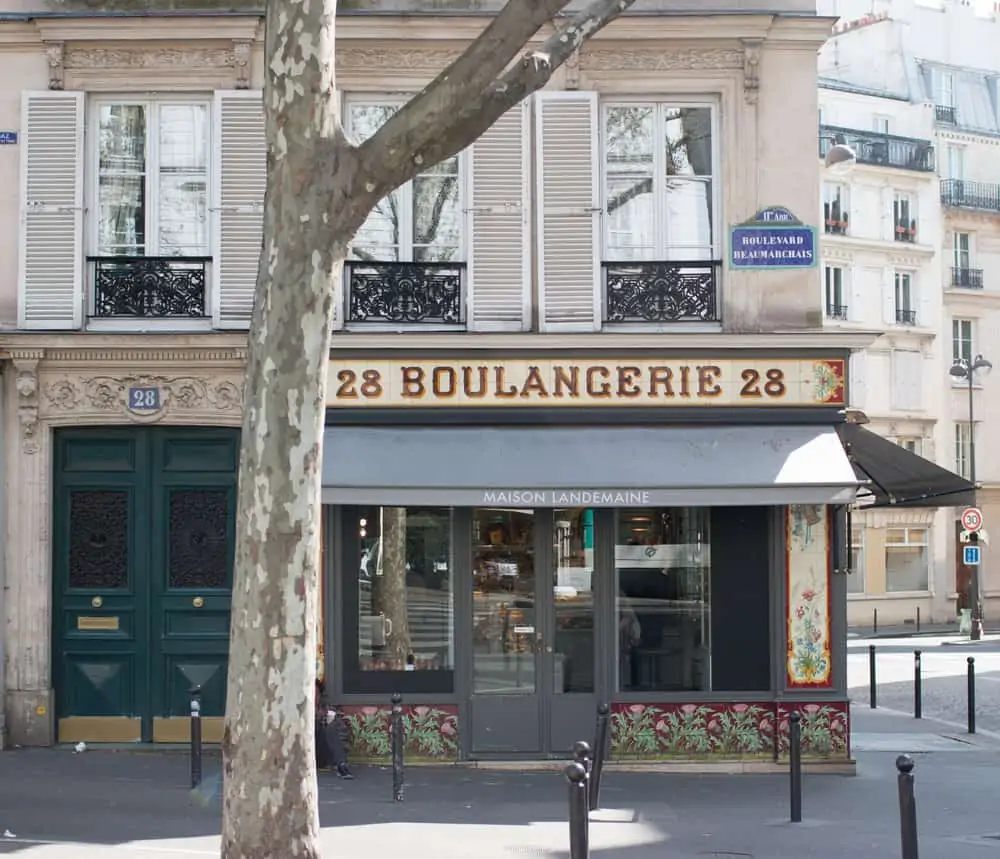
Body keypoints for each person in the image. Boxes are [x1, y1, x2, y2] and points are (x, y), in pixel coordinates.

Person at [315, 679, 353, 779]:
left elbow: (344, 736)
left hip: (325, 753)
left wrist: (329, 723)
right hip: (306, 754)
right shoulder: (297, 711)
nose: (314, 697)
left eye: (316, 694)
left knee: (330, 727)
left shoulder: (328, 711)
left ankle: (342, 766)